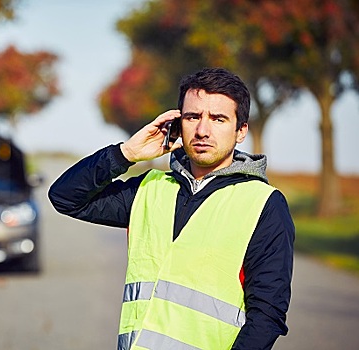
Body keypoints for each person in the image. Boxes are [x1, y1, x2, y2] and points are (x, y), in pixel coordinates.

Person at [48, 67, 294, 350]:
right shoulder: (150, 188)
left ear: (240, 131)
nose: (202, 130)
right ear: (178, 124)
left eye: (218, 119)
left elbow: (267, 315)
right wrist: (126, 153)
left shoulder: (264, 204)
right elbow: (65, 197)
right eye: (193, 117)